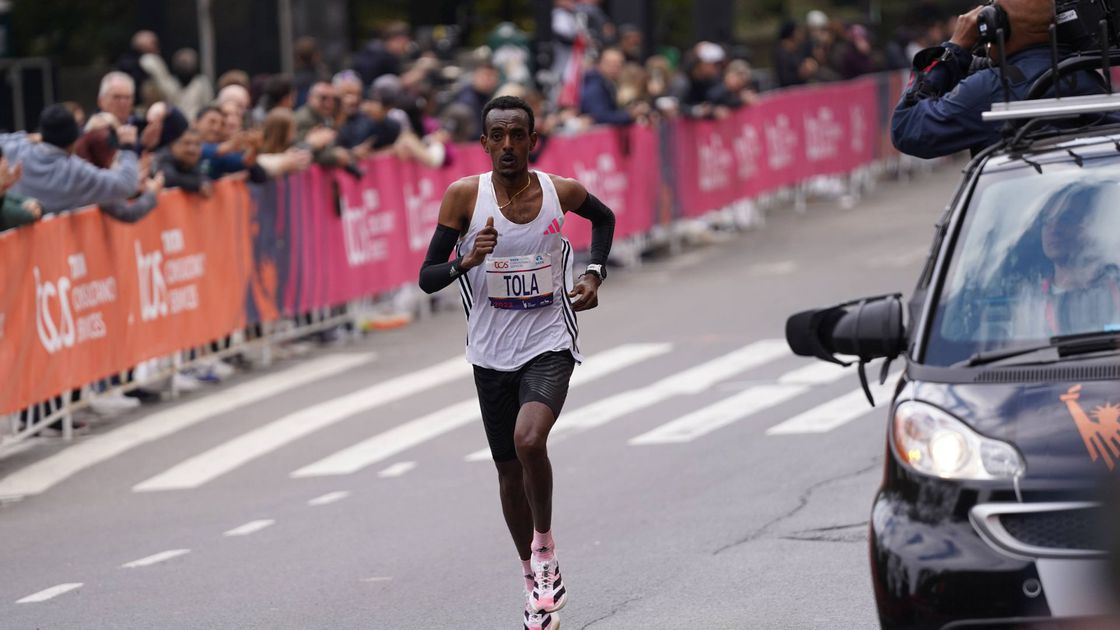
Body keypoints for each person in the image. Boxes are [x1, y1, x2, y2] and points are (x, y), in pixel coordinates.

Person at [417, 95, 616, 630]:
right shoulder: (463, 198)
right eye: (497, 136)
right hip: (489, 352)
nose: (508, 144)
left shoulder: (560, 191)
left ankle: (546, 550)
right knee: (508, 470)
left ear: (533, 139)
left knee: (531, 441)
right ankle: (532, 580)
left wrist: (594, 274)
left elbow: (604, 218)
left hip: (549, 339)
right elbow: (427, 276)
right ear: (483, 144)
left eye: (517, 135)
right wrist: (467, 258)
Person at [891, 0, 1102, 159]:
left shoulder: (989, 90)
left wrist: (954, 48)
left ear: (993, 24)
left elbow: (907, 127)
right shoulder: (1091, 80)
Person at [0, 104, 139, 214]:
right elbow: (126, 184)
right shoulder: (74, 172)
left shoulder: (16, 147)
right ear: (74, 140)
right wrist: (127, 148)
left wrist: (24, 138)